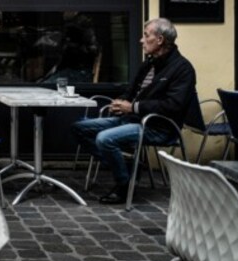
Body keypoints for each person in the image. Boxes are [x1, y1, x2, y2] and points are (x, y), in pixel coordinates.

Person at [71, 18, 197, 204]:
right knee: (79, 128)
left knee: (104, 139)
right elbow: (132, 91)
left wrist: (133, 107)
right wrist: (121, 102)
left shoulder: (182, 69)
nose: (141, 40)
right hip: (132, 119)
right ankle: (130, 164)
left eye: (146, 36)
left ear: (160, 40)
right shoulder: (150, 64)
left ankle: (124, 185)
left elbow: (172, 105)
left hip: (158, 127)